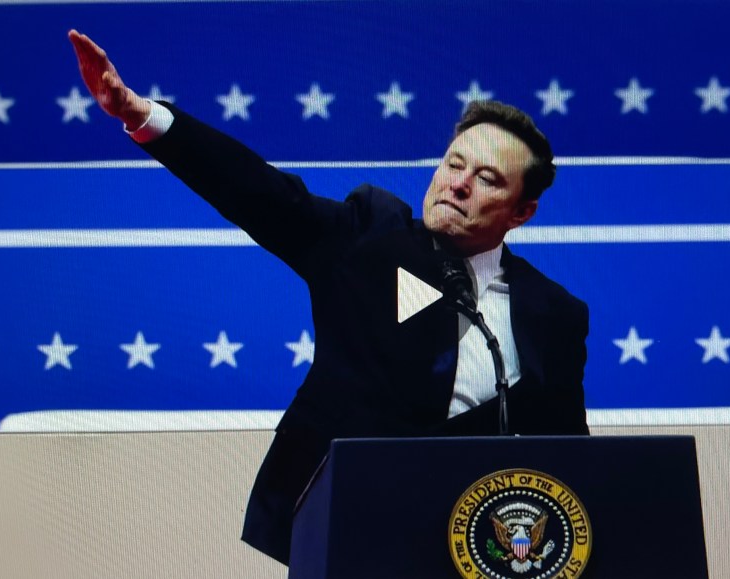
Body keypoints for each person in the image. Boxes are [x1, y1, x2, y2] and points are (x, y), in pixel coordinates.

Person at [69, 29, 590, 566]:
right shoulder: (369, 238)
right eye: (454, 164)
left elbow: (572, 457)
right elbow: (258, 192)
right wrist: (141, 115)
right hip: (349, 528)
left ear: (521, 212)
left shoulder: (555, 314)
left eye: (487, 179)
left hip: (476, 550)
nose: (458, 185)